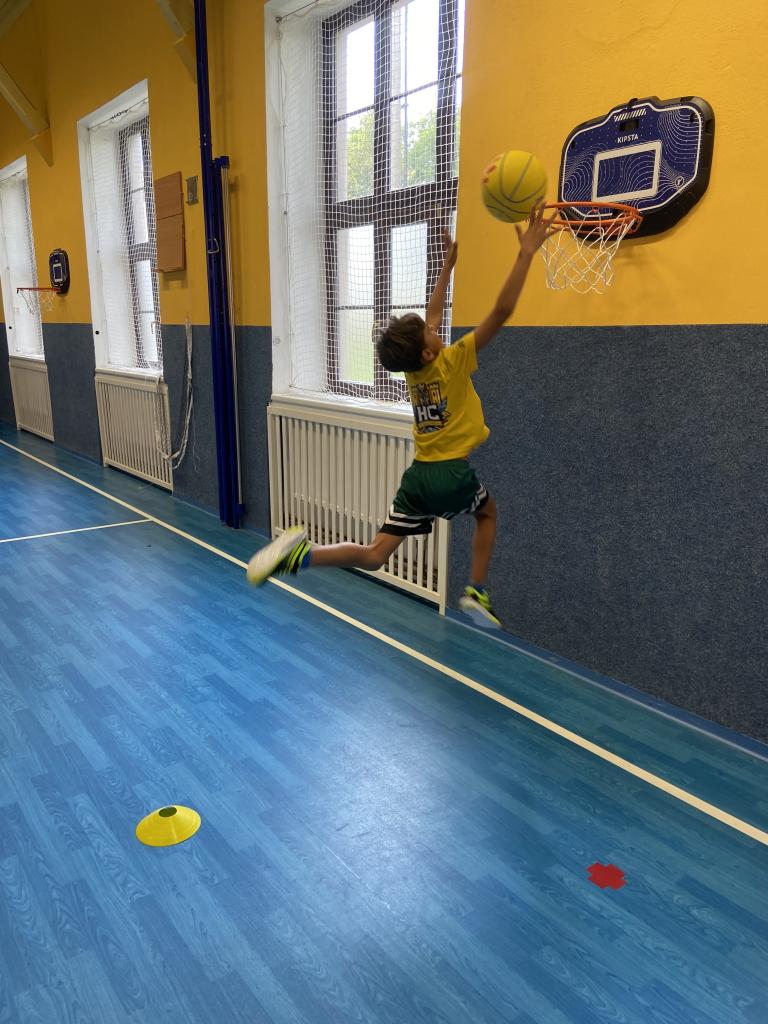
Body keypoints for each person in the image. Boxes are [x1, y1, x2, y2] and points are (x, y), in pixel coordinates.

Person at [247, 203, 555, 627]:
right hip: (449, 474)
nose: (435, 327)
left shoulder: (415, 372)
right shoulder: (454, 360)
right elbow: (500, 313)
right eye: (430, 331)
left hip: (418, 477)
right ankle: (476, 590)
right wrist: (525, 255)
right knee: (487, 514)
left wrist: (447, 268)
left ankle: (301, 555)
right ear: (427, 351)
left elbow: (433, 313)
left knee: (375, 554)